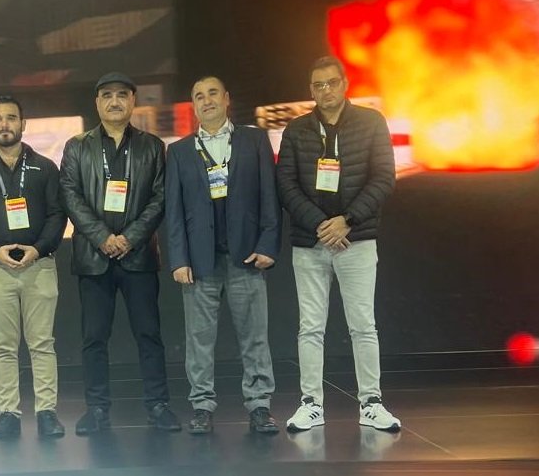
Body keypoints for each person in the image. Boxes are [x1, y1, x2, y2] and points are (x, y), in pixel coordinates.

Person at [276, 56, 400, 432]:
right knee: (310, 327)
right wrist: (320, 225)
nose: (325, 90)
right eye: (318, 85)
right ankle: (311, 404)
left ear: (345, 84)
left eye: (332, 82)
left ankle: (371, 404)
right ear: (311, 90)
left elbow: (384, 177)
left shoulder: (371, 122)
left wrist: (347, 221)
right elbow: (286, 185)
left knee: (363, 326)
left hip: (356, 239)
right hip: (309, 242)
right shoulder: (296, 130)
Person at [60, 72, 181, 435]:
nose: (115, 101)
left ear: (132, 101)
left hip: (138, 255)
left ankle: (158, 405)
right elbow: (70, 195)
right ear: (97, 103)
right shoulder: (77, 146)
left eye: (122, 95)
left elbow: (160, 197)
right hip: (93, 258)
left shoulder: (152, 146)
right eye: (107, 95)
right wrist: (102, 237)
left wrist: (129, 237)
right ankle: (97, 409)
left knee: (149, 335)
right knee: (94, 338)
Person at [165, 76, 281, 435]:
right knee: (199, 340)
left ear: (227, 98)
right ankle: (201, 406)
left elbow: (270, 196)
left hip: (246, 255)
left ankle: (259, 405)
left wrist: (268, 244)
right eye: (199, 96)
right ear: (194, 106)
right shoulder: (180, 151)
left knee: (255, 336)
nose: (207, 100)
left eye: (213, 93)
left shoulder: (253, 140)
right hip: (200, 262)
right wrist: (178, 259)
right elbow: (173, 211)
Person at [0, 95, 67, 440]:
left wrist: (38, 249)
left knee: (42, 343)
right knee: (3, 346)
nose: (4, 124)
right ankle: (8, 414)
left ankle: (47, 412)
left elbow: (57, 214)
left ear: (23, 123)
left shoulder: (45, 166)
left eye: (11, 118)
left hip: (40, 265)